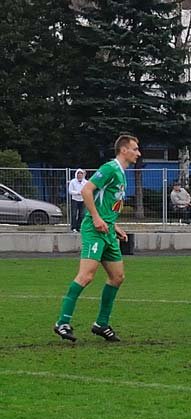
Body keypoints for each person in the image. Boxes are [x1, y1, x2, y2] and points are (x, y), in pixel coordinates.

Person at [53, 134, 140, 343]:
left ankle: (101, 324)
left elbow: (107, 203)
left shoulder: (121, 173)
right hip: (94, 230)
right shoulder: (110, 168)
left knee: (117, 277)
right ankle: (62, 322)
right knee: (86, 276)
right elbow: (86, 190)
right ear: (124, 150)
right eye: (135, 148)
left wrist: (114, 225)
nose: (138, 153)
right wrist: (96, 218)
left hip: (108, 231)